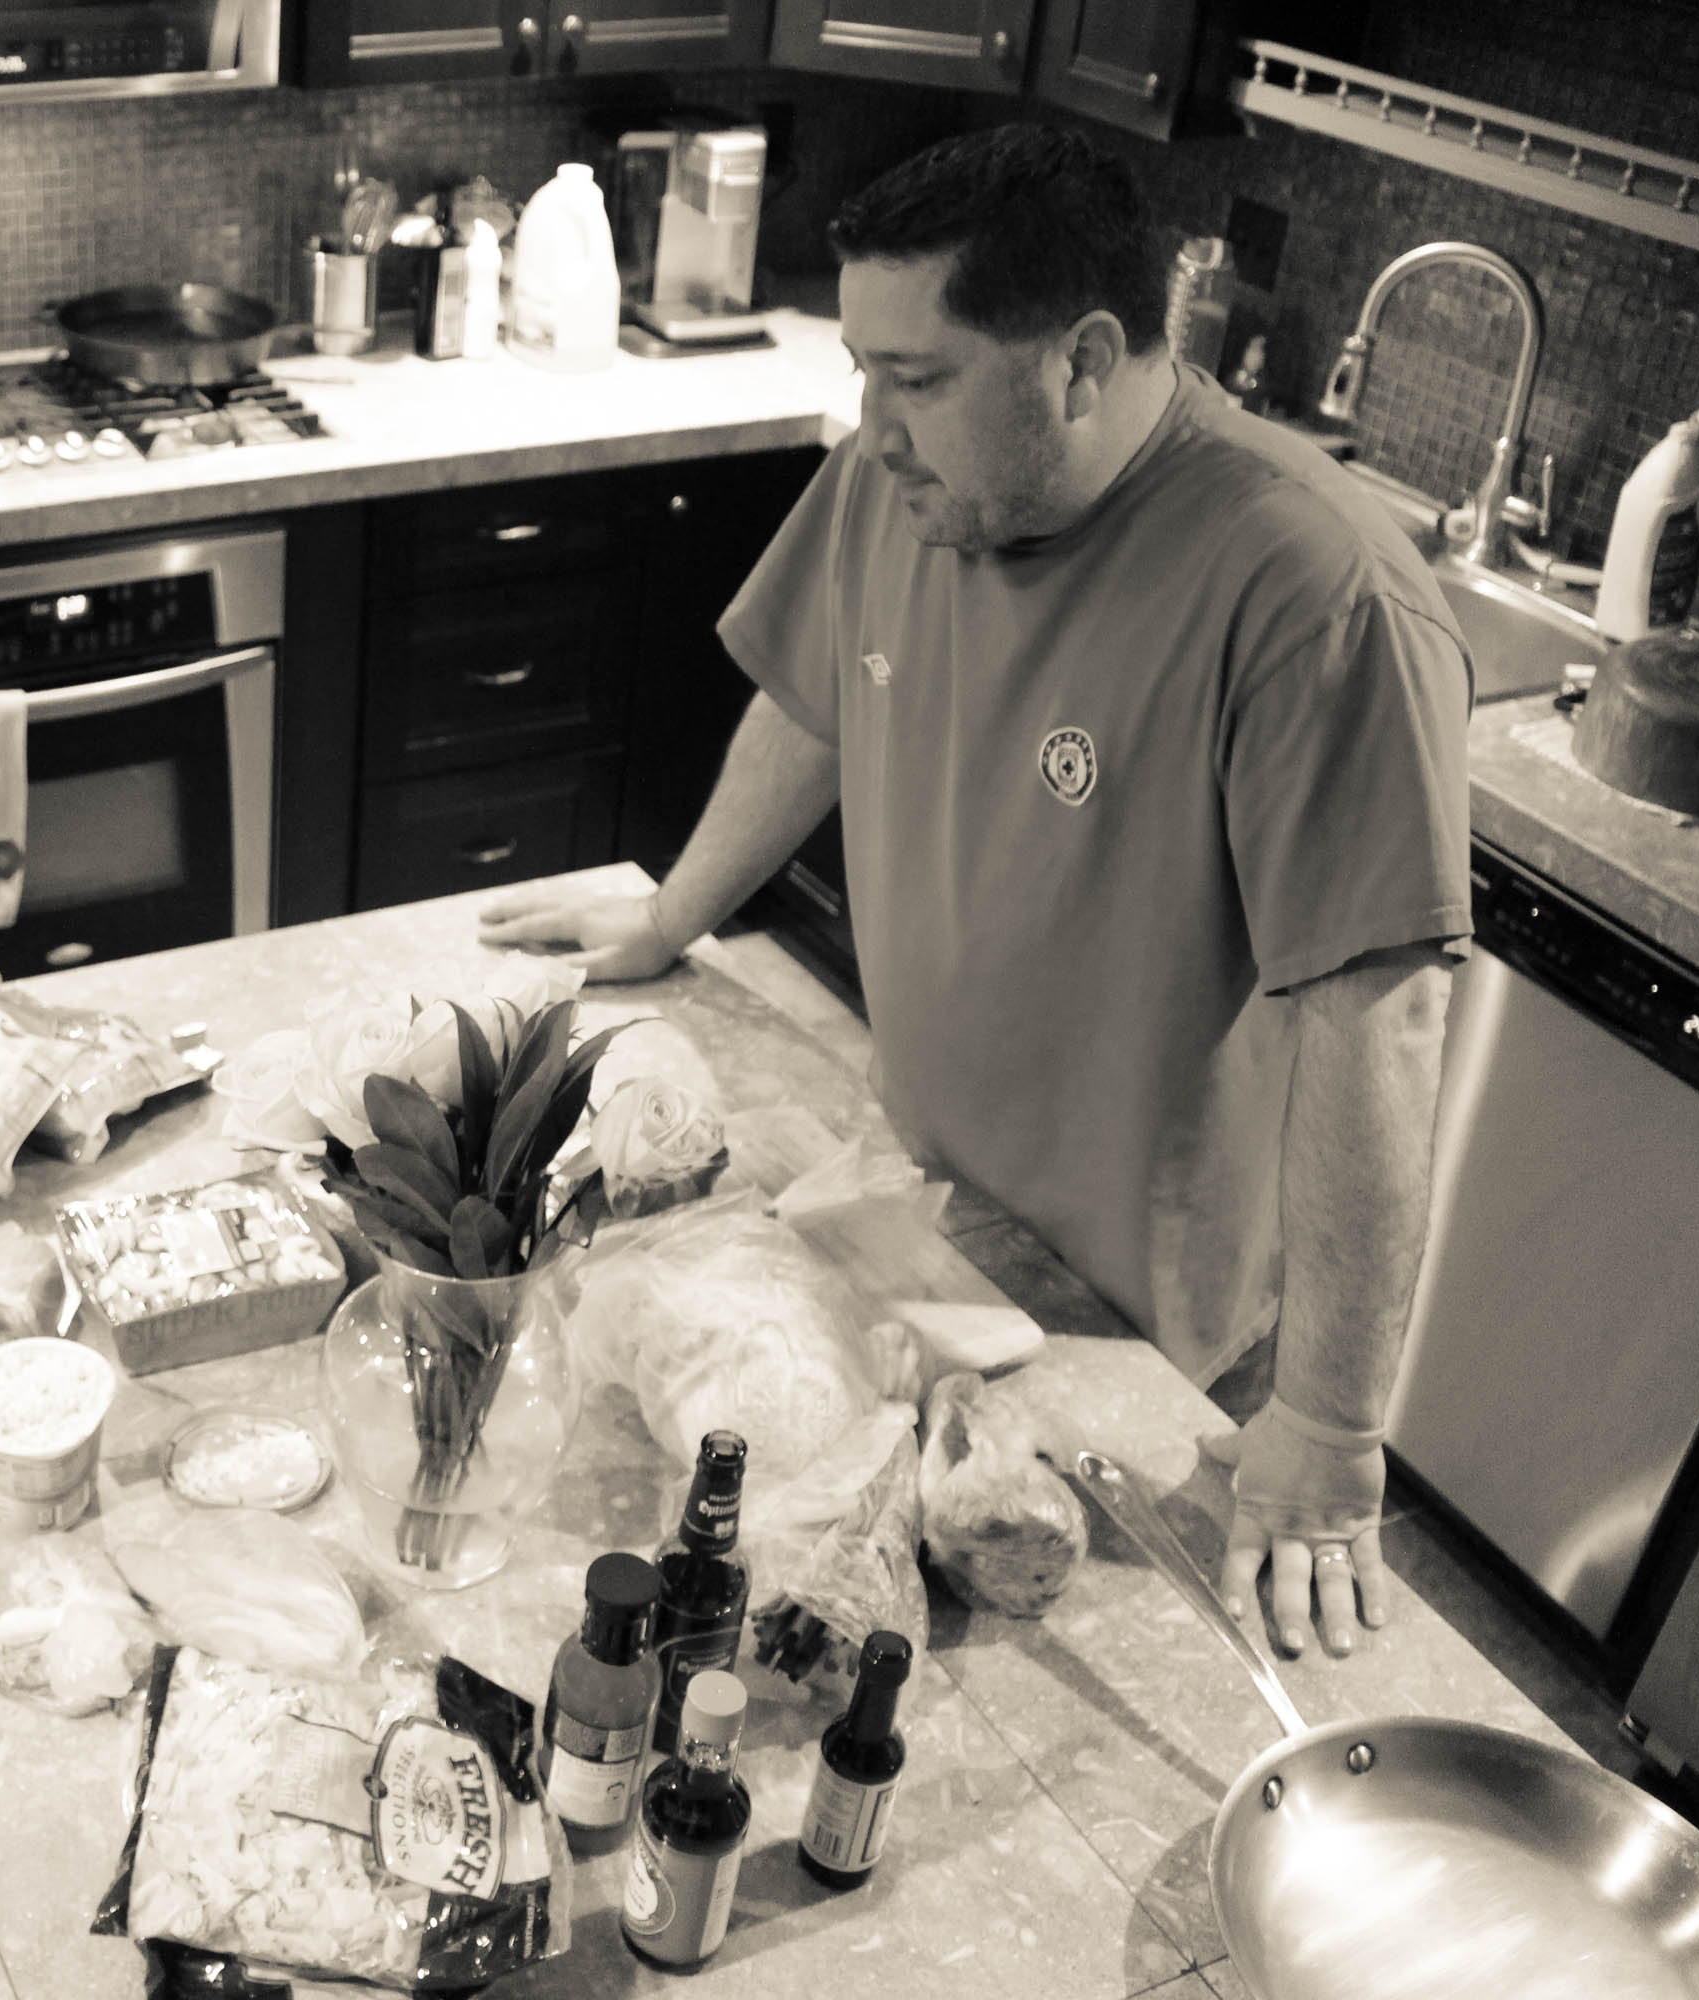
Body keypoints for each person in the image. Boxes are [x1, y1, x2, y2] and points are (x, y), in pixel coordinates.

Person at [480, 125, 1469, 1665]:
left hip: (1144, 1335)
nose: (871, 420)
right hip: (926, 1215)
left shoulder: (1311, 593)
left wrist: (1335, 1423)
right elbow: (817, 692)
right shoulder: (916, 476)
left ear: (1079, 363)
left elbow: (1380, 1018)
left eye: (917, 376)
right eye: (867, 369)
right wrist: (677, 911)